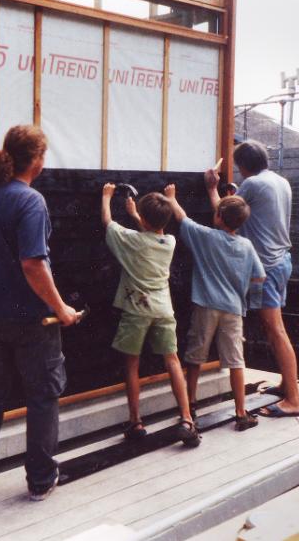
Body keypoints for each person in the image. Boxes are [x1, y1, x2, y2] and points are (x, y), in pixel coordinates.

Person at [0, 125, 78, 505]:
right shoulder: (30, 201)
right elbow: (33, 263)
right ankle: (41, 481)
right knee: (42, 397)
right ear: (39, 160)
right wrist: (62, 309)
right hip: (32, 321)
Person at [205, 140, 299, 417]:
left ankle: (294, 399)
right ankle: (287, 385)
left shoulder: (252, 185)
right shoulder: (280, 181)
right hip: (283, 260)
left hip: (267, 267)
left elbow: (224, 216)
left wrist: (212, 188)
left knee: (275, 329)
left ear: (243, 166)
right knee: (277, 327)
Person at [101, 183, 201, 447]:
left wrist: (106, 197)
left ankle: (136, 422)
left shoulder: (131, 241)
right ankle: (187, 419)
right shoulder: (169, 241)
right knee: (172, 360)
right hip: (163, 308)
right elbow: (151, 233)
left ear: (143, 220)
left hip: (136, 311)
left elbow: (108, 222)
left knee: (132, 363)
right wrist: (137, 215)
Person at [163, 184, 265, 430]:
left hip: (206, 305)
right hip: (233, 309)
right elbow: (259, 277)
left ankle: (191, 404)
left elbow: (183, 219)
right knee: (235, 360)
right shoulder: (246, 246)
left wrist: (172, 198)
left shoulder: (206, 237)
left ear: (218, 216)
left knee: (195, 357)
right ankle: (241, 413)